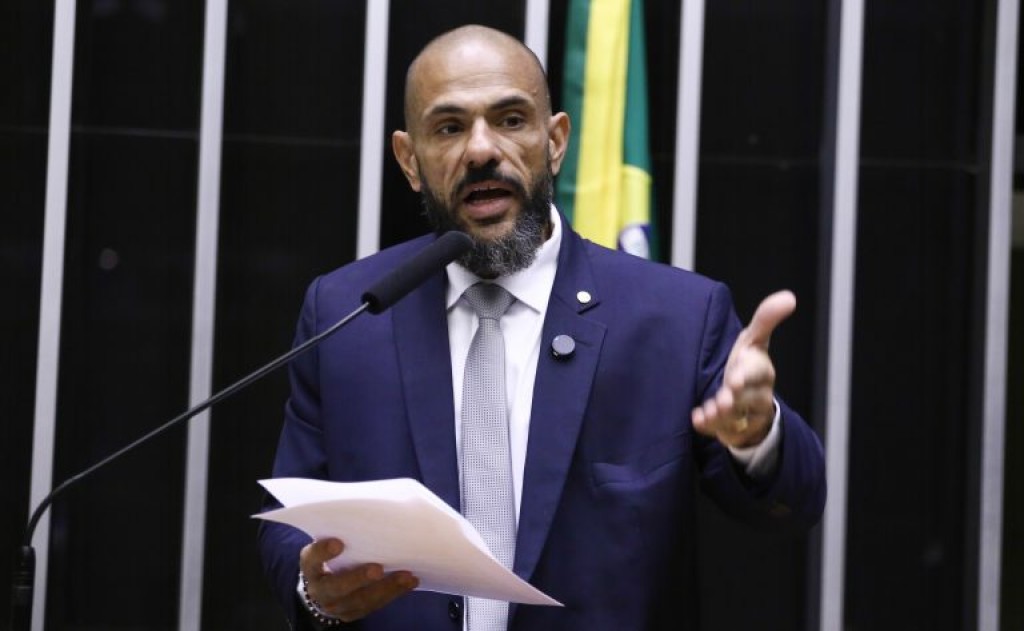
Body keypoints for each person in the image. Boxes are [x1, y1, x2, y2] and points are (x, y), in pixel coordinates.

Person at [258, 24, 826, 631]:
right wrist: (313, 588)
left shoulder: (677, 318)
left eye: (510, 120)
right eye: (449, 128)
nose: (481, 150)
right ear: (409, 160)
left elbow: (792, 503)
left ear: (555, 142)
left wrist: (756, 436)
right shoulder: (347, 314)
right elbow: (289, 520)